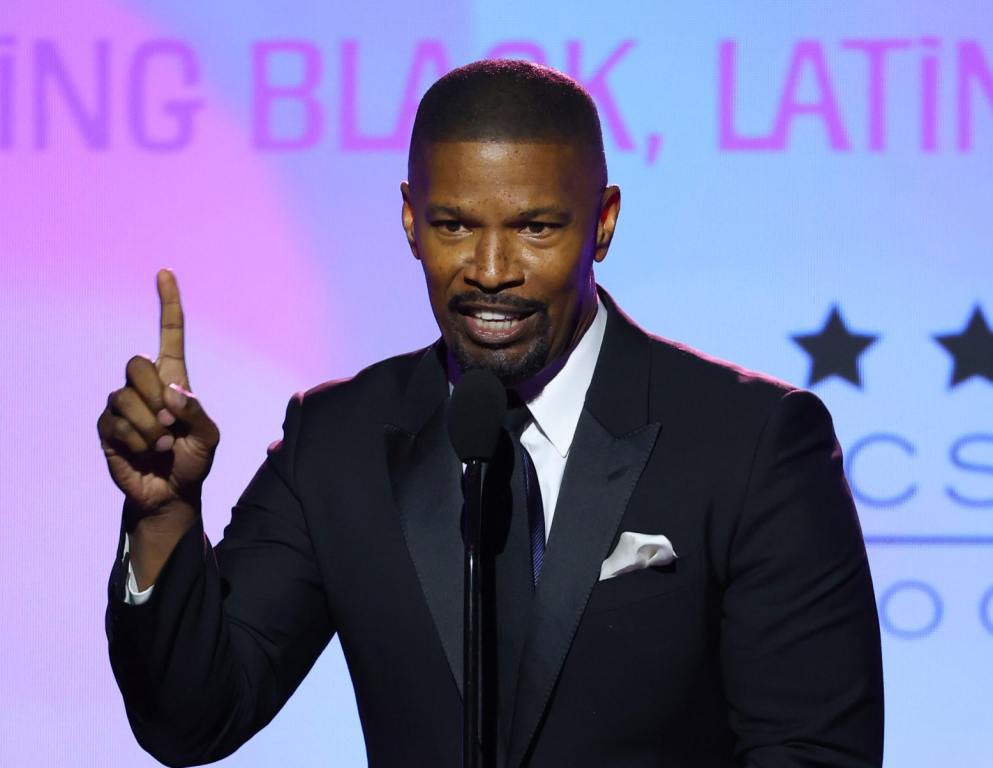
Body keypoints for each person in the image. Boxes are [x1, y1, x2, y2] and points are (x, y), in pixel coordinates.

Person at [100, 60, 884, 767]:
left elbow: (813, 753)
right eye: (454, 226)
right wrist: (164, 515)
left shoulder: (749, 441)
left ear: (603, 222)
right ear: (411, 221)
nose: (490, 271)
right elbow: (191, 720)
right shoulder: (336, 442)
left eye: (535, 227)